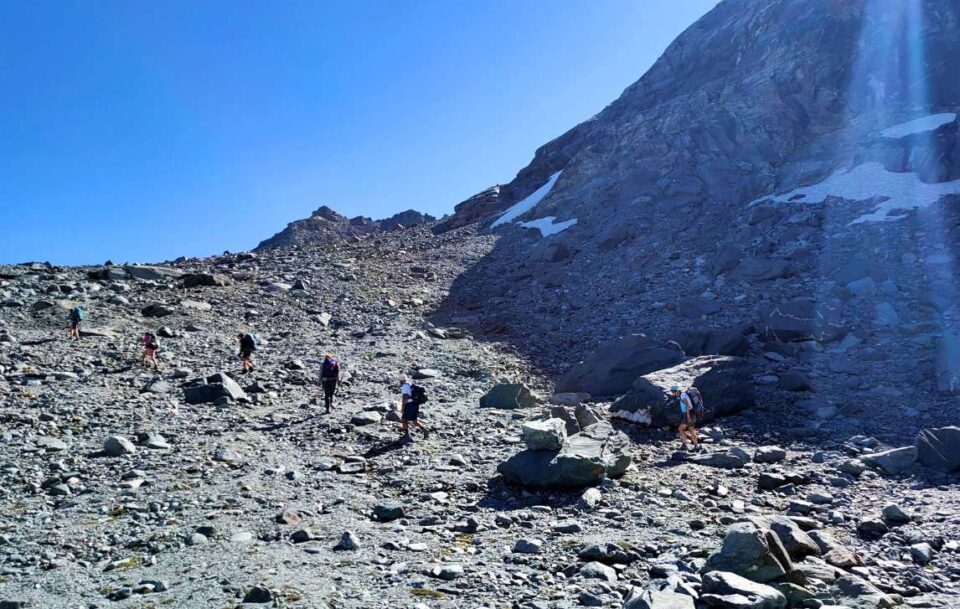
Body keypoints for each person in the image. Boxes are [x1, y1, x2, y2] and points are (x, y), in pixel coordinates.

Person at [399, 375, 429, 441]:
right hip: (414, 404)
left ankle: (407, 435)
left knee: (406, 420)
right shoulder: (410, 384)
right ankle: (424, 431)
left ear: (401, 380)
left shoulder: (404, 386)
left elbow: (404, 397)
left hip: (409, 405)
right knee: (410, 420)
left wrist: (402, 407)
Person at [672, 385, 701, 450]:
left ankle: (684, 444)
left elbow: (687, 405)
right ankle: (696, 445)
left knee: (680, 429)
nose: (672, 393)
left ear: (676, 391)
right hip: (692, 413)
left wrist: (688, 416)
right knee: (691, 430)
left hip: (689, 414)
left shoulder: (682, 396)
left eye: (672, 392)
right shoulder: (683, 395)